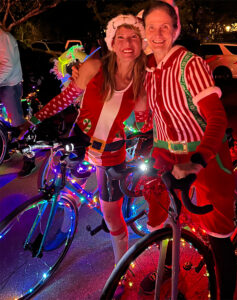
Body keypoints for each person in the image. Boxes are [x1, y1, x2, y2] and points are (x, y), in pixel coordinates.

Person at [29, 14, 147, 296]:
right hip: (83, 140)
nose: (127, 44)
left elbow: (146, 118)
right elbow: (66, 98)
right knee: (66, 184)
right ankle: (57, 230)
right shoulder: (95, 66)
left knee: (111, 214)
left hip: (113, 153)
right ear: (111, 41)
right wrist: (34, 121)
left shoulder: (143, 78)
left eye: (133, 38)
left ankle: (121, 270)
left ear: (141, 43)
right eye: (121, 37)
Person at [137, 2, 237, 299]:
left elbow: (217, 118)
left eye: (164, 27)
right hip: (167, 153)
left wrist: (196, 161)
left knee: (218, 235)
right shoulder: (149, 70)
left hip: (204, 153)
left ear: (176, 29)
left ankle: (226, 295)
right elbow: (155, 120)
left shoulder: (189, 64)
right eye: (151, 27)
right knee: (168, 215)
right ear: (143, 31)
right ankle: (169, 265)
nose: (157, 34)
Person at [0, 27, 35, 174]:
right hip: (2, 82)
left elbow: (7, 65)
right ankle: (4, 145)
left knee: (18, 123)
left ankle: (29, 157)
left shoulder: (3, 37)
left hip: (10, 85)